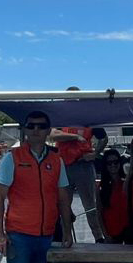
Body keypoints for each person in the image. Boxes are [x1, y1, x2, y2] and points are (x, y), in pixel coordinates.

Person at [0, 110, 73, 263]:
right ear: (25, 130)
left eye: (41, 126)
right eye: (31, 126)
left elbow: (64, 199)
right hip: (19, 236)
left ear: (48, 130)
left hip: (46, 236)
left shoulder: (57, 161)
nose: (36, 130)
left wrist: (66, 232)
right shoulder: (12, 159)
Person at [54, 93, 106, 242]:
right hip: (64, 167)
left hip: (83, 165)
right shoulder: (60, 117)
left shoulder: (89, 118)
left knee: (90, 204)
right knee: (64, 204)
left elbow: (104, 138)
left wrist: (96, 153)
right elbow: (53, 135)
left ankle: (98, 237)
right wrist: (75, 137)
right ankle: (66, 237)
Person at [97, 148, 130, 241]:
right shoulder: (101, 187)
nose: (113, 165)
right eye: (109, 163)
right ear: (105, 165)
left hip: (128, 230)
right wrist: (105, 235)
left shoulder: (127, 183)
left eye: (116, 162)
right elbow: (99, 213)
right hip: (111, 233)